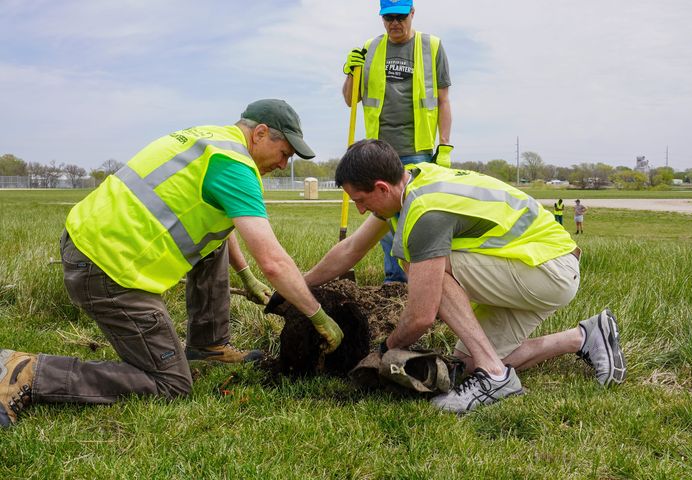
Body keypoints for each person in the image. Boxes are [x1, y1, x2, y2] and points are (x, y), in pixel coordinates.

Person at [0, 99, 344, 428]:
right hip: (107, 271)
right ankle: (29, 371)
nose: (284, 165)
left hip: (93, 245)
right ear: (260, 133)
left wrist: (245, 275)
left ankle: (208, 345)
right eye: (284, 153)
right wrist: (318, 316)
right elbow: (273, 261)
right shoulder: (235, 166)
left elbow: (222, 225)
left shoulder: (211, 140)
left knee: (213, 241)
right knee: (171, 384)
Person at [301, 140, 627, 413]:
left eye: (360, 200)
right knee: (465, 363)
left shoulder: (425, 213)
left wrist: (384, 349)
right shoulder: (410, 184)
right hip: (535, 267)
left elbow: (421, 316)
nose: (359, 209)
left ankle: (494, 375)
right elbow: (351, 249)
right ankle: (584, 337)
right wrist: (301, 285)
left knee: (423, 266)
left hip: (548, 269)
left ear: (382, 187)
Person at [342, 0, 452, 283]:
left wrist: (445, 147)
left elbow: (443, 100)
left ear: (412, 14)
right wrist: (349, 74)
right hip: (380, 151)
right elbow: (350, 100)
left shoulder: (432, 47)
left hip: (418, 149)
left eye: (400, 17)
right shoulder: (370, 49)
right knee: (386, 218)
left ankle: (425, 279)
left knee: (421, 218)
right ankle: (395, 280)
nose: (395, 23)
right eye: (388, 17)